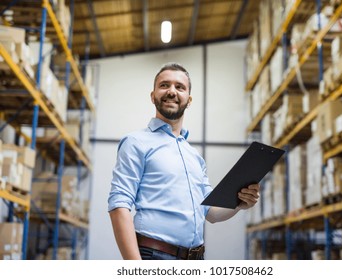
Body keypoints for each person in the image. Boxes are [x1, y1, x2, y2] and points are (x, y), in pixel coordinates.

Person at [108, 62, 260, 260]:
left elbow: (211, 212)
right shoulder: (136, 142)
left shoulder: (194, 156)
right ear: (152, 95)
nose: (172, 91)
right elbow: (119, 204)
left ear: (189, 100)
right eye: (164, 85)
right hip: (154, 256)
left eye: (180, 87)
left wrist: (239, 203)